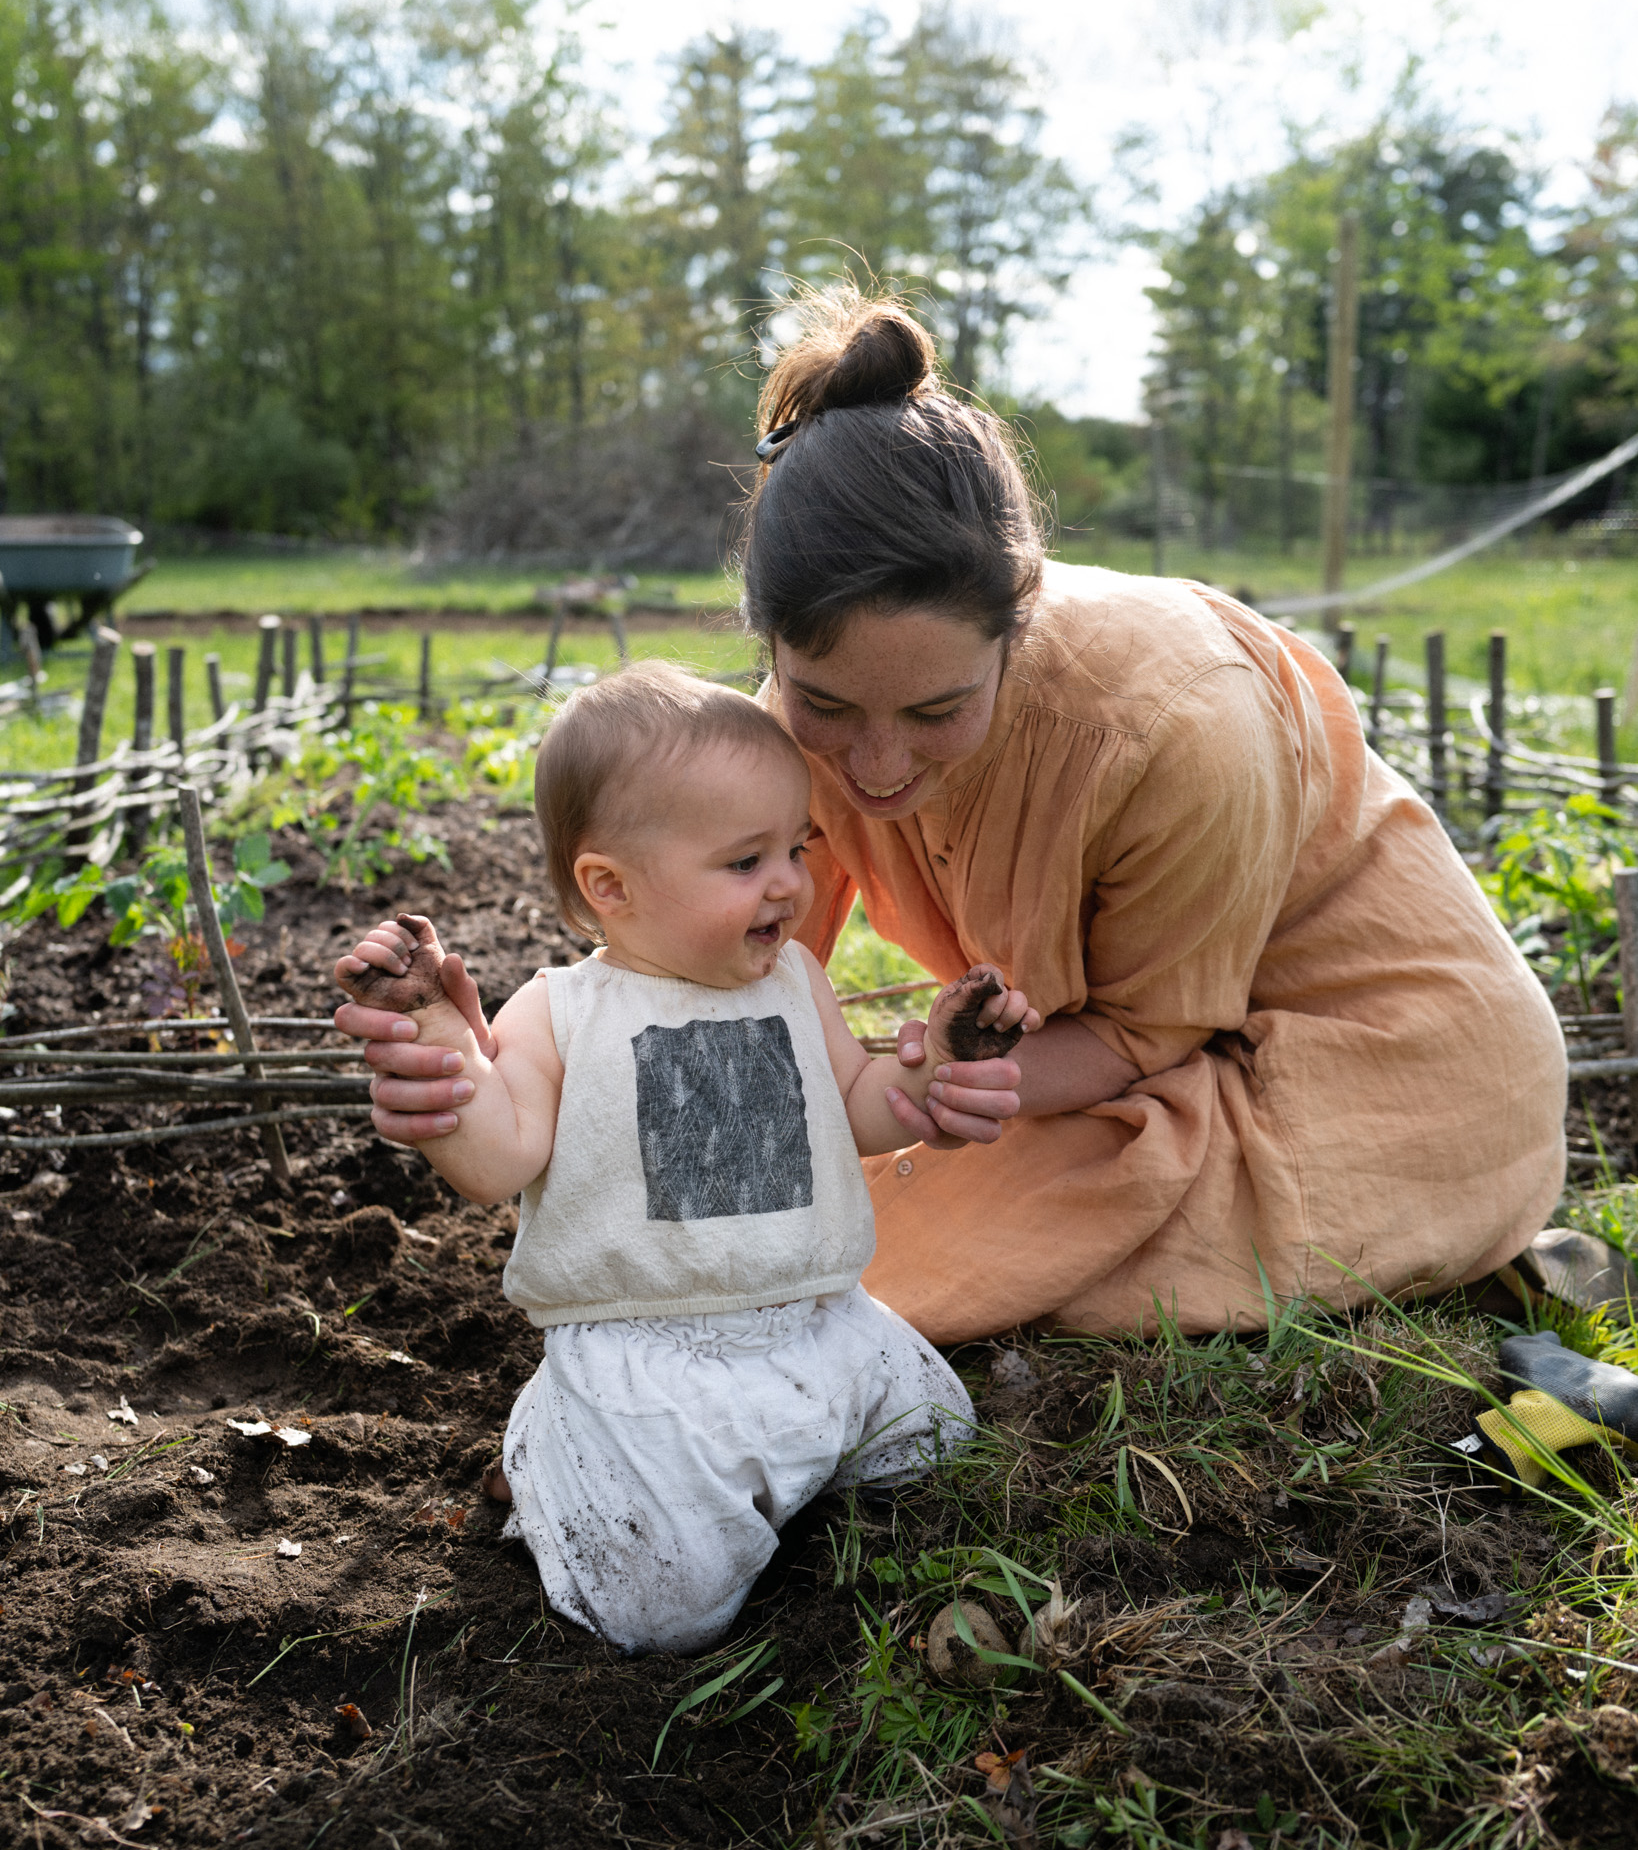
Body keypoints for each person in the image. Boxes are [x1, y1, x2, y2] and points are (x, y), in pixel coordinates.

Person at [346, 288, 1567, 1349]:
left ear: (1017, 627)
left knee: (841, 1253)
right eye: (823, 703)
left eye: (937, 710)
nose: (875, 767)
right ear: (769, 645)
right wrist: (509, 1070)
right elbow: (725, 978)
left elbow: (1149, 1036)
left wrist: (939, 1088)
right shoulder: (780, 734)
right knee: (770, 1214)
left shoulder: (1178, 721)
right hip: (1084, 1071)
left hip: (1354, 1063)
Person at [332, 662, 1035, 1653]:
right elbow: (498, 1159)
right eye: (747, 860)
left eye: (797, 845)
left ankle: (794, 1484)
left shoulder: (794, 980)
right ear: (609, 885)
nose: (791, 881)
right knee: (664, 1608)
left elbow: (852, 1103)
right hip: (654, 1359)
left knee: (935, 1444)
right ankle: (561, 1455)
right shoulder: (562, 1014)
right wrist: (445, 1052)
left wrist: (935, 1082)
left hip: (824, 1318)